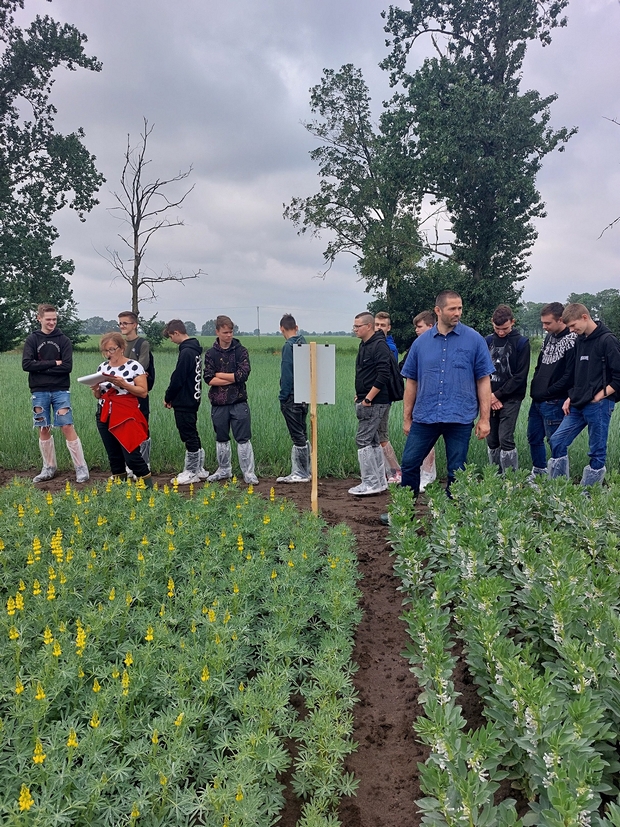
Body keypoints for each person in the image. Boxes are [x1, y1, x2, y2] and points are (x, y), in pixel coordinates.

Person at [400, 290, 493, 498]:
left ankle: (453, 512)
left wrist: (484, 419)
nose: (457, 313)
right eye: (452, 309)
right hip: (425, 416)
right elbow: (411, 381)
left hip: (459, 416)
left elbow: (483, 380)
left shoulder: (474, 340)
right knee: (409, 463)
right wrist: (407, 418)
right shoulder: (420, 343)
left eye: (460, 308)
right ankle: (405, 510)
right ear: (438, 310)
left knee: (456, 470)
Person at [548, 303, 620, 486]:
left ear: (585, 317)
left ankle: (589, 494)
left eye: (573, 326)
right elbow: (578, 374)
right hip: (578, 403)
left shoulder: (607, 340)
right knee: (557, 440)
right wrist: (570, 397)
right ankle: (558, 488)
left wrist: (600, 395)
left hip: (599, 404)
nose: (572, 330)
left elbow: (619, 376)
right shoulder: (580, 340)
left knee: (597, 451)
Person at [22, 303, 89, 483]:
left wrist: (40, 367)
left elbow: (67, 367)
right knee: (43, 427)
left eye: (54, 319)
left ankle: (81, 467)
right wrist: (53, 363)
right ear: (39, 319)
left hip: (61, 390)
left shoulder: (63, 340)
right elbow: (27, 365)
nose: (52, 322)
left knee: (67, 426)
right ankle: (49, 467)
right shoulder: (32, 339)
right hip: (39, 390)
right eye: (48, 319)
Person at [203, 315, 258, 484]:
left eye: (231, 332)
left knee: (243, 438)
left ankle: (248, 472)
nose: (229, 335)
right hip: (219, 403)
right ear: (217, 332)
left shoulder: (241, 351)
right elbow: (208, 378)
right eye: (225, 332)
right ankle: (224, 470)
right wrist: (232, 377)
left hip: (238, 401)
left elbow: (243, 375)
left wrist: (220, 374)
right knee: (221, 438)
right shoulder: (211, 354)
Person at [91, 332, 152, 485]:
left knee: (131, 456)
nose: (108, 354)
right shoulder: (102, 367)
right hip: (105, 414)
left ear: (122, 348)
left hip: (126, 415)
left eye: (112, 349)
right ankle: (119, 489)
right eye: (105, 351)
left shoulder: (134, 366)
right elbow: (99, 396)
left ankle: (148, 489)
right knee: (114, 456)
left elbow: (143, 392)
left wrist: (124, 384)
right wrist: (96, 389)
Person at [526, 302, 576, 479]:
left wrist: (549, 392)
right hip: (537, 400)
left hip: (555, 400)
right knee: (533, 437)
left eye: (548, 323)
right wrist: (535, 385)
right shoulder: (548, 338)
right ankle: (539, 473)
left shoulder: (572, 340)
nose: (544, 327)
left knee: (556, 442)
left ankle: (559, 480)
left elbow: (569, 375)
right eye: (543, 323)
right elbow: (539, 365)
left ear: (560, 319)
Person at [349, 311, 392, 496]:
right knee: (373, 441)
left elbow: (384, 374)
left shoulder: (379, 346)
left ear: (368, 326)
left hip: (375, 402)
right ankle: (379, 481)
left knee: (363, 439)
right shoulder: (364, 345)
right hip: (366, 400)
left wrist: (368, 398)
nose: (355, 329)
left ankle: (370, 483)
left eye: (357, 326)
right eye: (354, 326)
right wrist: (359, 394)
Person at [485, 305, 530, 472]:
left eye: (504, 328)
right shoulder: (487, 341)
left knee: (505, 438)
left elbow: (520, 376)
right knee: (491, 439)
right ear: (492, 322)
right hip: (489, 397)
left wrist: (498, 395)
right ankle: (494, 475)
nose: (501, 332)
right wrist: (489, 396)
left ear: (513, 322)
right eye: (497, 328)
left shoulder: (522, 343)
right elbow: (481, 371)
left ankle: (511, 477)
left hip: (511, 397)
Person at [163, 320, 208, 485]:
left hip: (184, 400)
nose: (171, 340)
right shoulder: (194, 350)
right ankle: (199, 469)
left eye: (171, 336)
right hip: (193, 398)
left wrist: (168, 396)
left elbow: (178, 378)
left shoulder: (187, 352)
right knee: (192, 432)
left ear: (176, 333)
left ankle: (191, 472)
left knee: (188, 434)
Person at [275, 314, 311, 483]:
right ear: (296, 327)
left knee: (297, 436)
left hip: (291, 396)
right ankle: (306, 470)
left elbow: (287, 373)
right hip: (304, 395)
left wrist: (283, 396)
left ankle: (301, 473)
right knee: (302, 433)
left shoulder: (288, 346)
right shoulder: (304, 343)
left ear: (282, 329)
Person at [118, 310, 152, 468]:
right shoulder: (119, 344)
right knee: (126, 428)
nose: (122, 326)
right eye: (120, 323)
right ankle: (129, 463)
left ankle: (144, 463)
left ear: (135, 325)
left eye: (125, 323)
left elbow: (140, 367)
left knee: (141, 426)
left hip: (138, 393)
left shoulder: (142, 344)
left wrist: (123, 376)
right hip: (122, 395)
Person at [374, 311, 401, 484]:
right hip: (374, 398)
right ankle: (383, 472)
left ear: (388, 328)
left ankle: (395, 471)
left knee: (382, 435)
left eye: (382, 325)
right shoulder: (375, 344)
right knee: (375, 436)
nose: (379, 328)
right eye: (377, 324)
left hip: (383, 398)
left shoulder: (389, 348)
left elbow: (384, 374)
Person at [412, 310, 437, 491]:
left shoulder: (437, 346)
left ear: (430, 326)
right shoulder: (418, 345)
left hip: (434, 399)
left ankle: (428, 473)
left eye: (419, 326)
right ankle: (424, 472)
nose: (416, 330)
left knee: (430, 438)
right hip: (421, 397)